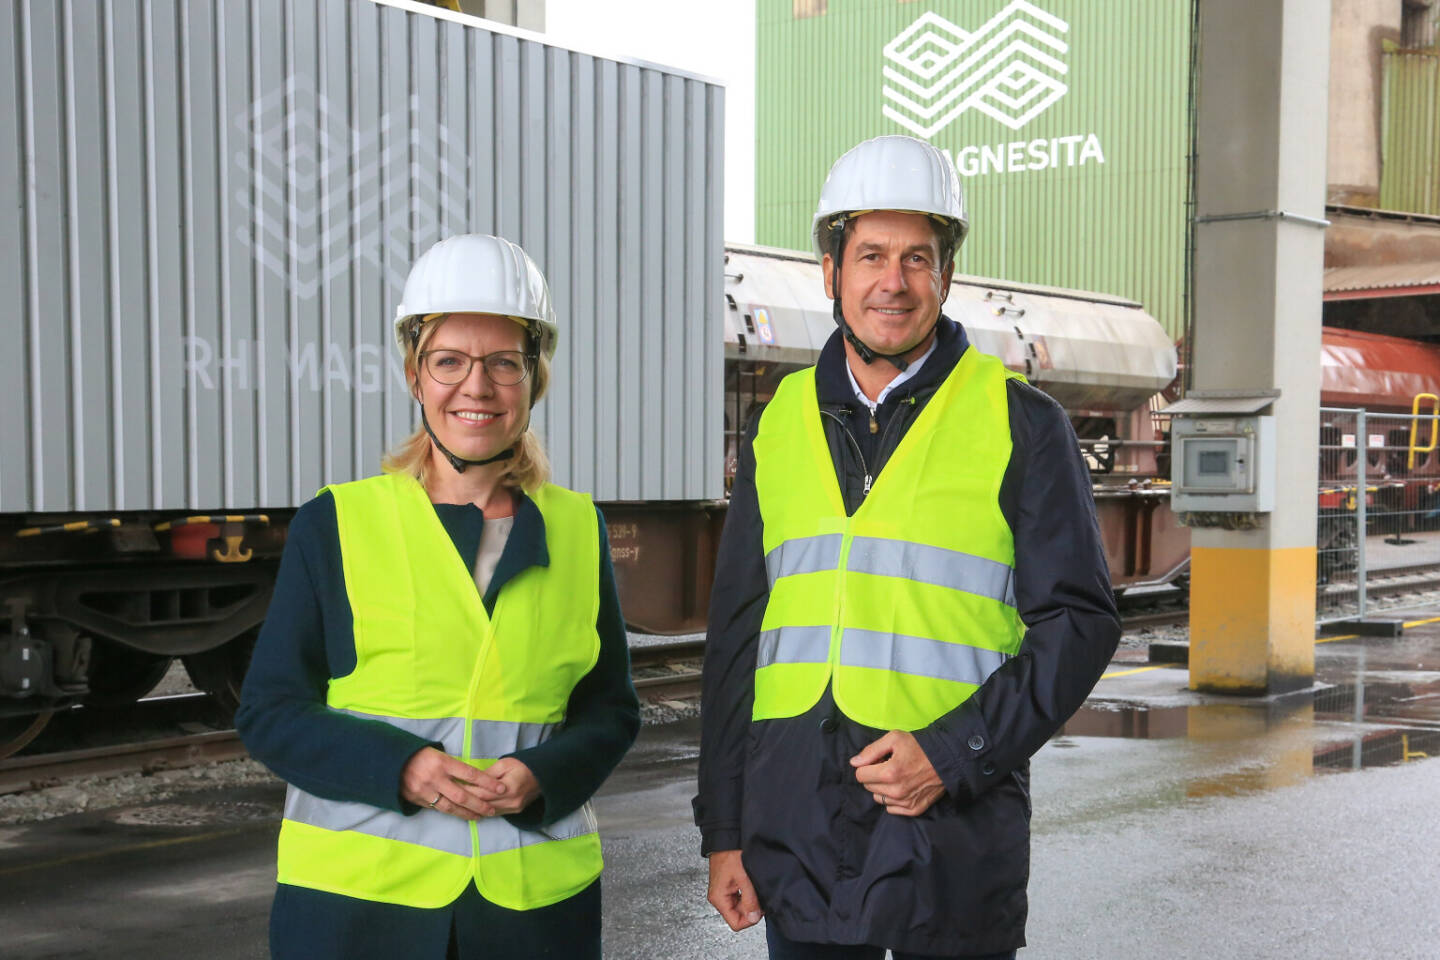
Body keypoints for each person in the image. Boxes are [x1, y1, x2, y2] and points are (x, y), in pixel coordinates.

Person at [694, 135, 1121, 959]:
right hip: (802, 832)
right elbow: (738, 637)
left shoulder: (1021, 423)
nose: (893, 282)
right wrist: (724, 828)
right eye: (871, 256)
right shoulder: (777, 425)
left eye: (918, 258)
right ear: (831, 271)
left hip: (950, 835)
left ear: (947, 274)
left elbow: (1080, 622)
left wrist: (954, 751)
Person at [237, 234, 640, 960]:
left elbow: (610, 710)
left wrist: (543, 776)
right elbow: (270, 711)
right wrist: (403, 767)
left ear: (534, 378)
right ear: (415, 376)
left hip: (532, 914)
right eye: (449, 361)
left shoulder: (579, 529)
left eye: (503, 364)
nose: (476, 388)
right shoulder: (337, 523)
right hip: (359, 910)